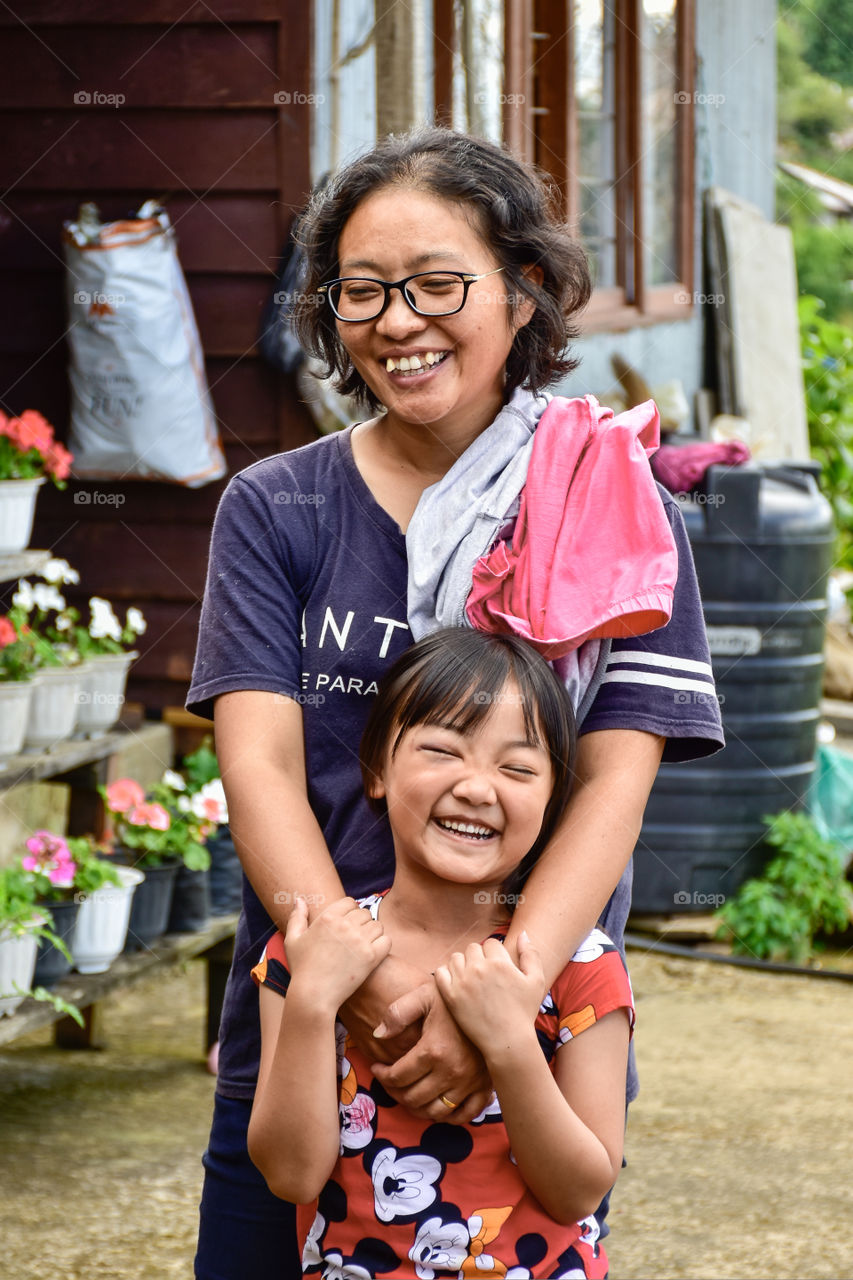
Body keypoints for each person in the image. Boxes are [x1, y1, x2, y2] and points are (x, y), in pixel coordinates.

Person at [187, 125, 723, 1277]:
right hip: (307, 1032)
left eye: (438, 283)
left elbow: (613, 782)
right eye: (363, 290)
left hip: (532, 1041)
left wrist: (503, 996)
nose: (398, 320)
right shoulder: (279, 509)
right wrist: (367, 977)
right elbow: (263, 768)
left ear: (525, 291)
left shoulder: (619, 514)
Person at [248, 628, 635, 1278]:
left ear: (552, 801)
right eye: (440, 750)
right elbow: (290, 1175)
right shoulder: (309, 952)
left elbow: (578, 1192)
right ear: (375, 771)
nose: (477, 788)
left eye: (516, 768)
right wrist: (315, 1002)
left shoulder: (583, 967)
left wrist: (510, 1043)